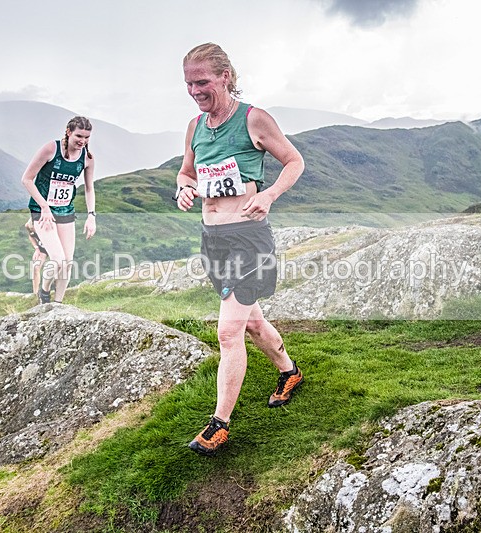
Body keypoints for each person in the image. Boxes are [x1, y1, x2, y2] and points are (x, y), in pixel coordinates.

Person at [175, 43, 306, 456]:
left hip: (248, 240)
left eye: (202, 82)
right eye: (188, 84)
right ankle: (290, 372)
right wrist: (183, 187)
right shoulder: (196, 126)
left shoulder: (254, 119)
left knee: (228, 331)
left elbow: (294, 162)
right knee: (250, 323)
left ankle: (219, 425)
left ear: (225, 76)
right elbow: (186, 171)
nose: (195, 91)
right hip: (212, 239)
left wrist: (268, 195)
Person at [21, 116, 97, 303]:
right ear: (69, 132)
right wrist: (44, 206)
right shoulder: (50, 149)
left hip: (65, 211)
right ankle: (45, 293)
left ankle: (58, 304)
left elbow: (89, 188)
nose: (83, 141)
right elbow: (27, 179)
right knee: (58, 260)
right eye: (79, 135)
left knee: (68, 263)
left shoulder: (87, 158)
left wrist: (91, 216)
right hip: (42, 212)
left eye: (87, 137)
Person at [24, 217, 52, 302]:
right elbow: (31, 236)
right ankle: (35, 293)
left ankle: (53, 290)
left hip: (53, 246)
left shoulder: (47, 226)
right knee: (36, 266)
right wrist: (36, 248)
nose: (33, 231)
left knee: (56, 267)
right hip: (42, 248)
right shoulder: (29, 226)